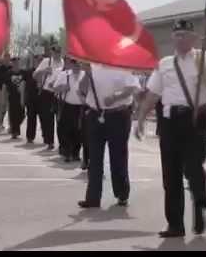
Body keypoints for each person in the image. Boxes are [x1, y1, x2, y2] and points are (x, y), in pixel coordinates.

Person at [135, 19, 206, 238]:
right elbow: (153, 95)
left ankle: (199, 202)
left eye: (185, 34)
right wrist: (140, 119)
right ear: (173, 38)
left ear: (193, 38)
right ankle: (175, 224)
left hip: (195, 120)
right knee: (171, 175)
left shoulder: (202, 59)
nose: (180, 38)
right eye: (177, 35)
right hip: (169, 123)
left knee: (193, 169)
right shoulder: (164, 64)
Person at [78, 61, 139, 208]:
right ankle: (93, 197)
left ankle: (122, 194)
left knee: (118, 157)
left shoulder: (122, 67)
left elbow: (132, 88)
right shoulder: (92, 67)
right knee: (94, 158)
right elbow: (82, 90)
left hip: (118, 115)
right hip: (95, 115)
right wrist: (86, 74)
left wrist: (116, 97)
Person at [53, 58, 87, 164]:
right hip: (67, 106)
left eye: (78, 63)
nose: (77, 66)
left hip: (81, 107)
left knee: (79, 131)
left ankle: (75, 153)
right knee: (66, 130)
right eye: (74, 63)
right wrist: (62, 87)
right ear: (71, 64)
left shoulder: (85, 75)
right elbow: (55, 89)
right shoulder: (65, 75)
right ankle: (67, 152)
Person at [33, 46, 64, 151]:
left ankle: (62, 144)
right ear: (52, 52)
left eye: (58, 51)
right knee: (47, 119)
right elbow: (35, 75)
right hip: (47, 93)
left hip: (59, 95)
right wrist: (43, 72)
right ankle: (49, 141)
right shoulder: (46, 61)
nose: (57, 54)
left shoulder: (63, 63)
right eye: (55, 52)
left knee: (60, 120)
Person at [22, 55, 42, 144]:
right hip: (30, 99)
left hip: (42, 99)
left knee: (44, 119)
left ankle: (46, 138)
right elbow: (23, 86)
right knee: (31, 118)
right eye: (37, 59)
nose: (38, 61)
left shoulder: (43, 72)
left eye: (40, 60)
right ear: (33, 61)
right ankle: (30, 137)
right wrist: (23, 99)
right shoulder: (28, 72)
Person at [4, 57, 25, 140]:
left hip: (21, 97)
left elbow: (27, 82)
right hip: (12, 96)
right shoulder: (8, 73)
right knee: (13, 114)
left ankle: (15, 128)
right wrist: (4, 98)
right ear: (12, 63)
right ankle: (14, 132)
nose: (16, 64)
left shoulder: (23, 73)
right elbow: (5, 86)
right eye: (14, 62)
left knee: (22, 114)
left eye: (17, 62)